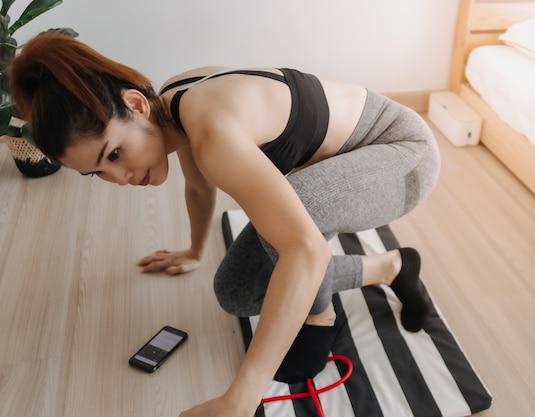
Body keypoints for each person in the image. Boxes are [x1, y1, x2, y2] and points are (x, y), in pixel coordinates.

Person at [10, 32, 440, 417]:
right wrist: (195, 251)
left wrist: (241, 396)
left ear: (135, 105)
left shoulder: (210, 129)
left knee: (295, 227)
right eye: (97, 173)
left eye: (115, 154)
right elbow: (198, 189)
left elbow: (305, 249)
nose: (119, 178)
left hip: (402, 157)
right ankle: (393, 267)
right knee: (235, 291)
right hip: (341, 168)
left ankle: (320, 317)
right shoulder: (171, 106)